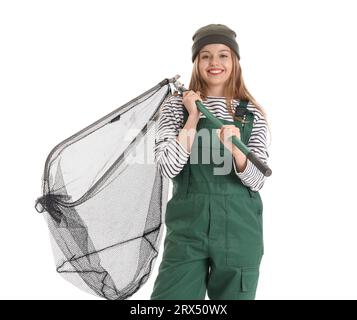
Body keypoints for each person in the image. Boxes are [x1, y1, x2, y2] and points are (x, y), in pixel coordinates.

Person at [150, 24, 270, 300]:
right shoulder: (175, 107)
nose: (214, 63)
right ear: (196, 62)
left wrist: (237, 152)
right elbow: (166, 167)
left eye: (223, 55)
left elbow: (258, 180)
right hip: (187, 231)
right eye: (205, 56)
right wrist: (191, 118)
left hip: (240, 233)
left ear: (235, 61)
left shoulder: (252, 113)